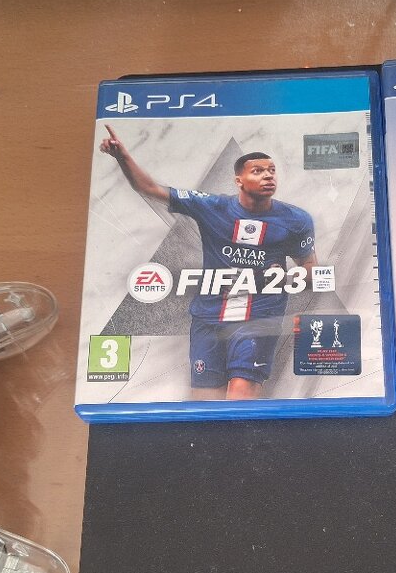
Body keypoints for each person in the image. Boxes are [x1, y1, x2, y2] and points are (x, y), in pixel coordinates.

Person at [100, 126, 317, 399]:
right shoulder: (212, 206)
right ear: (239, 180)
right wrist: (122, 157)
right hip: (208, 318)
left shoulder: (296, 220)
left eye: (272, 170)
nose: (268, 176)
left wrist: (282, 278)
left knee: (240, 398)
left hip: (259, 318)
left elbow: (313, 272)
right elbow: (150, 188)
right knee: (206, 405)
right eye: (258, 171)